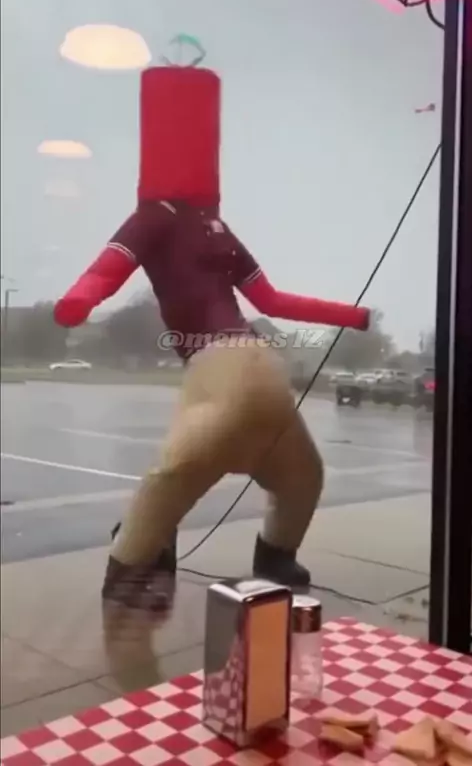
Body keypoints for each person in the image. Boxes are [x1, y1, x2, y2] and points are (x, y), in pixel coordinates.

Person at [54, 61, 370, 610]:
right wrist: (80, 300)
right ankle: (131, 563)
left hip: (255, 371)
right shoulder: (152, 218)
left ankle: (270, 553)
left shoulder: (217, 229)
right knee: (180, 468)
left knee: (301, 475)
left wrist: (349, 315)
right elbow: (107, 269)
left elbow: (271, 300)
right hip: (221, 367)